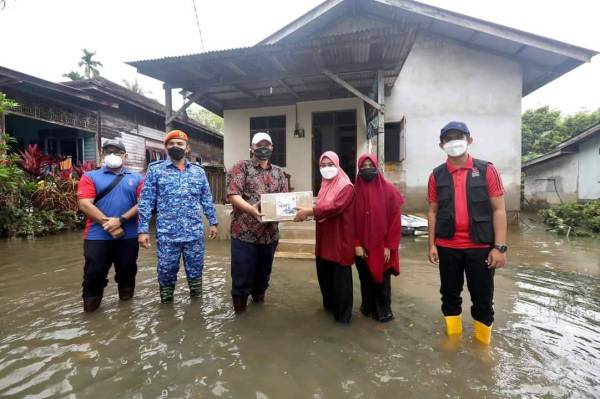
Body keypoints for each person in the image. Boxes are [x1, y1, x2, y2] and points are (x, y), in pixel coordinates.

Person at [427, 121, 507, 345]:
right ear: (441, 145)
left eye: (458, 137)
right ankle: (452, 343)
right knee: (450, 296)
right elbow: (432, 211)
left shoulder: (486, 170)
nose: (454, 142)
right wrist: (431, 245)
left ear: (469, 140)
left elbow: (499, 209)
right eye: (448, 139)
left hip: (480, 246)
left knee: (482, 298)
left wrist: (499, 248)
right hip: (447, 246)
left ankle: (483, 349)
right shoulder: (436, 175)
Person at [138, 130, 218, 303]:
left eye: (180, 144)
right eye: (171, 144)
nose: (176, 147)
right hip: (167, 234)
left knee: (196, 270)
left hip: (194, 232)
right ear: (166, 147)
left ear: (187, 148)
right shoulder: (155, 170)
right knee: (166, 271)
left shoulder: (198, 172)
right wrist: (143, 230)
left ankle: (196, 307)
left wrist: (213, 222)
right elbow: (146, 201)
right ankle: (166, 308)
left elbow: (206, 198)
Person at [77, 140, 144, 312]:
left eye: (117, 152)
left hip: (127, 236)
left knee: (127, 272)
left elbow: (143, 203)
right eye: (108, 151)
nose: (112, 155)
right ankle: (91, 316)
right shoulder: (89, 177)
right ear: (101, 154)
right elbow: (85, 204)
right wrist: (111, 224)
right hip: (96, 237)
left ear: (125, 156)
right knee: (93, 275)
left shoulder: (137, 178)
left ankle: (126, 313)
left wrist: (120, 220)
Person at [226, 132, 288, 313]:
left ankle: (258, 310)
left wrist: (293, 210)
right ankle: (240, 316)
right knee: (241, 278)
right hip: (244, 233)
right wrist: (252, 210)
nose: (263, 148)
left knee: (263, 278)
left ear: (272, 148)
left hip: (269, 235)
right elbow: (233, 195)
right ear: (252, 148)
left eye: (267, 145)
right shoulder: (241, 167)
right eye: (259, 145)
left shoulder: (278, 172)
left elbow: (285, 199)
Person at [295, 151, 355, 323]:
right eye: (323, 165)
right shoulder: (324, 186)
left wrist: (309, 211)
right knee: (325, 279)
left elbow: (334, 208)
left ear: (337, 165)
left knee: (340, 282)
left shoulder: (346, 187)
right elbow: (321, 207)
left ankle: (343, 320)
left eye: (330, 165)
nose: (326, 168)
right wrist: (305, 211)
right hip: (324, 241)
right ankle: (329, 311)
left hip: (339, 241)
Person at [354, 153, 404, 322]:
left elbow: (395, 221)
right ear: (359, 169)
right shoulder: (353, 192)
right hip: (361, 246)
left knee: (382, 281)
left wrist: (389, 246)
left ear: (376, 167)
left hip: (382, 246)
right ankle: (367, 309)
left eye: (370, 165)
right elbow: (349, 222)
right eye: (364, 166)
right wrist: (356, 244)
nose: (367, 168)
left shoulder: (389, 191)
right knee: (365, 279)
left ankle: (383, 313)